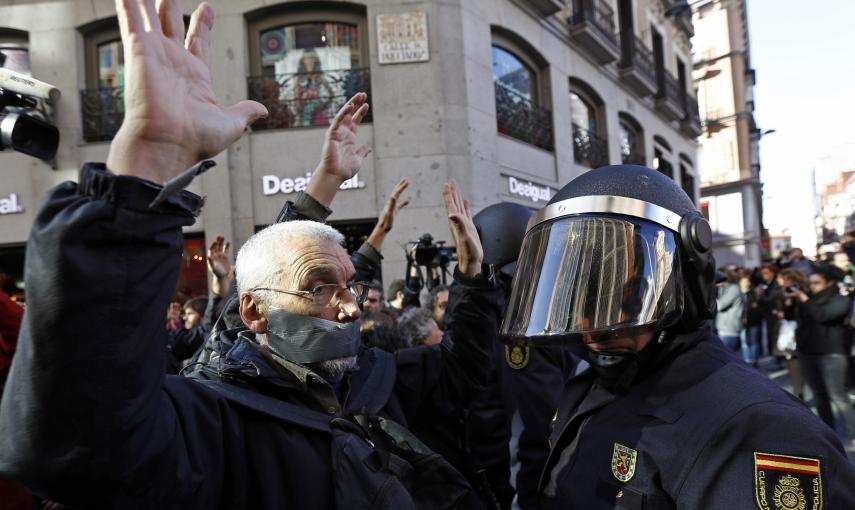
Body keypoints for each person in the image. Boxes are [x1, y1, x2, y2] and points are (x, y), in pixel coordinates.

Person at [0, 2, 502, 508]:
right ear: (255, 311)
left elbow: (462, 369)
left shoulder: (375, 379)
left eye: (351, 284)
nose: (349, 306)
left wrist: (473, 276)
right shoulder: (215, 420)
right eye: (320, 288)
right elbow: (74, 447)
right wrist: (148, 165)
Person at [499, 164, 855, 508]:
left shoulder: (763, 431)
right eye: (575, 296)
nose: (591, 323)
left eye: (616, 294)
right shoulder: (593, 388)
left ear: (685, 280)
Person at [787, 264, 855, 446]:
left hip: (832, 354)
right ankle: (829, 434)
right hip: (808, 353)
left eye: (816, 283)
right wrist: (791, 303)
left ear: (829, 283)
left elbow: (822, 316)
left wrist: (803, 298)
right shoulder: (808, 299)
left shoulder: (841, 300)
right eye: (810, 283)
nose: (812, 286)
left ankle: (853, 434)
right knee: (820, 396)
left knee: (838, 396)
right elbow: (796, 319)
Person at [776, 268, 807, 399]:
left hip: (799, 329)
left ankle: (798, 391)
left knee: (797, 361)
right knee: (792, 360)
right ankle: (798, 392)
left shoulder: (802, 292)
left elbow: (805, 310)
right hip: (790, 329)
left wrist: (796, 296)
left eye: (782, 279)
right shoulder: (784, 292)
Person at [714, 267, 743, 351]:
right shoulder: (724, 288)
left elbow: (720, 305)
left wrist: (708, 293)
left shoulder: (733, 289)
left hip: (729, 330)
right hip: (724, 328)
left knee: (727, 359)